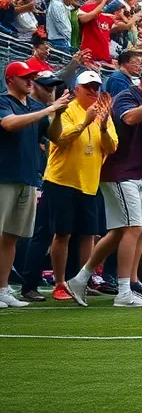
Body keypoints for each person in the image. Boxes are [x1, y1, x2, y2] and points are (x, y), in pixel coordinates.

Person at [64, 63, 142, 308]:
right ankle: (124, 291)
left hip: (137, 173)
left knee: (119, 232)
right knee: (133, 228)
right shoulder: (127, 96)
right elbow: (130, 118)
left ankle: (79, 279)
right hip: (120, 173)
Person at [0, 61, 71, 308]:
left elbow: (55, 136)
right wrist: (48, 109)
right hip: (4, 176)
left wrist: (57, 114)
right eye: (24, 77)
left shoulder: (35, 107)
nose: (30, 81)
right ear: (10, 80)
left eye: (31, 77)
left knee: (11, 236)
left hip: (28, 177)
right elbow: (9, 124)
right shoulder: (4, 102)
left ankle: (3, 289)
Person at [41, 71, 115, 304]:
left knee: (87, 235)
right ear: (76, 90)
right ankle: (60, 283)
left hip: (89, 182)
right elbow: (60, 139)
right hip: (62, 180)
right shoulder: (66, 109)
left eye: (96, 87)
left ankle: (82, 281)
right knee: (62, 233)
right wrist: (85, 122)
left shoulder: (103, 112)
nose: (93, 91)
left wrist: (103, 128)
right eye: (88, 87)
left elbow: (112, 147)